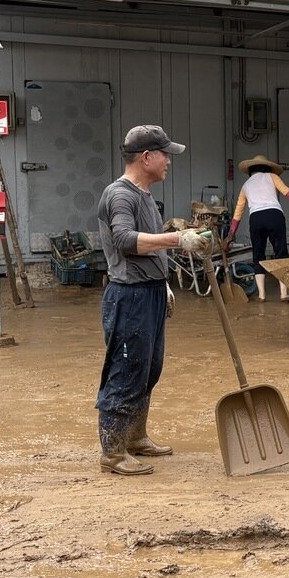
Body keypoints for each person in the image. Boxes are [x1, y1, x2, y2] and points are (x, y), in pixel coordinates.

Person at [95, 125, 210, 476]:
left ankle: (134, 437)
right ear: (146, 157)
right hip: (129, 296)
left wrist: (163, 282)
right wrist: (178, 240)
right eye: (165, 155)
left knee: (149, 369)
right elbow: (126, 241)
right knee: (126, 371)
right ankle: (112, 453)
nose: (169, 162)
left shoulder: (143, 195)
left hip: (149, 292)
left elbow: (144, 248)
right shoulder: (121, 195)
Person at [227, 155, 289, 303]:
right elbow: (288, 192)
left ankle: (261, 296)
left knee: (258, 256)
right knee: (281, 253)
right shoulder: (272, 176)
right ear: (267, 167)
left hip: (256, 219)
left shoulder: (246, 185)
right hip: (275, 216)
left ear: (250, 171)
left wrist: (229, 236)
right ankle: (283, 294)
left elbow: (238, 214)